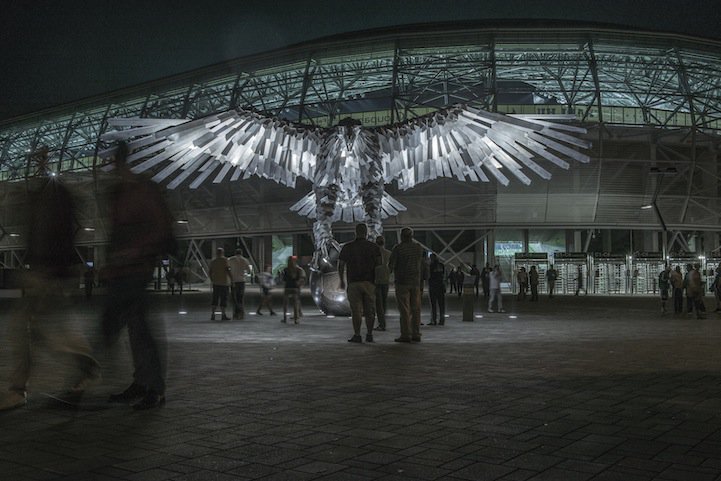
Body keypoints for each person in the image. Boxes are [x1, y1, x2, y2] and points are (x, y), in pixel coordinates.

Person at [1, 162, 100, 411]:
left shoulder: (53, 199)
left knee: (23, 328)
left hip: (44, 272)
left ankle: (18, 390)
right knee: (36, 329)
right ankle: (82, 362)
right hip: (44, 272)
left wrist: (49, 267)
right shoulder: (49, 198)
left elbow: (56, 234)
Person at [103, 141, 175, 410]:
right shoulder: (118, 192)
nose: (110, 168)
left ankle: (154, 388)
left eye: (112, 162)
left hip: (138, 269)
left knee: (141, 330)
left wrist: (135, 252)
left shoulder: (142, 190)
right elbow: (115, 233)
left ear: (122, 161)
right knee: (134, 328)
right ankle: (142, 382)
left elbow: (160, 228)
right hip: (122, 271)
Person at [338, 224, 382, 343]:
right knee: (370, 311)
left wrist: (341, 280)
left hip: (353, 283)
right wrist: (378, 281)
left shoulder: (348, 247)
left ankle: (357, 335)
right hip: (369, 282)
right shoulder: (374, 247)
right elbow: (379, 265)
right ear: (366, 232)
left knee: (356, 311)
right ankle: (369, 334)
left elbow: (341, 265)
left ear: (356, 232)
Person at [389, 227, 425, 342]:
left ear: (402, 236)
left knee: (405, 309)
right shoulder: (418, 248)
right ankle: (416, 333)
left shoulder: (398, 248)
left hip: (402, 281)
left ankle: (406, 334)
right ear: (412, 236)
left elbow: (391, 265)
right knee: (416, 308)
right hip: (416, 281)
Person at [208, 247, 232, 321]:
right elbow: (228, 270)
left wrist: (212, 279)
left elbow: (210, 272)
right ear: (222, 252)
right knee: (223, 299)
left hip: (216, 283)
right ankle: (223, 315)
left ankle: (213, 314)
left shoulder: (213, 261)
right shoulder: (225, 260)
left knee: (215, 299)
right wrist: (232, 279)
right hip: (224, 283)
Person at [374, 235, 391, 331]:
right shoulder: (389, 253)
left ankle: (381, 323)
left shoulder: (373, 254)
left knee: (378, 304)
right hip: (386, 280)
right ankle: (382, 322)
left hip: (376, 281)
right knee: (384, 303)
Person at [282, 256, 306, 324]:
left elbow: (283, 279)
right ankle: (296, 319)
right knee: (295, 303)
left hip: (288, 287)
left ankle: (285, 318)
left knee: (285, 303)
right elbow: (302, 278)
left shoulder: (286, 269)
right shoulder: (298, 269)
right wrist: (299, 284)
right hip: (295, 287)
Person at [228, 248, 251, 320]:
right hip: (241, 281)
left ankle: (235, 313)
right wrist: (244, 274)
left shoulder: (230, 259)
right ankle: (241, 313)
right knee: (240, 298)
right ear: (241, 253)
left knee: (234, 298)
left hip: (233, 281)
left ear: (235, 253)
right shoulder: (245, 260)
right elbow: (249, 271)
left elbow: (227, 268)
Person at [427, 253, 446, 325]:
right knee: (441, 304)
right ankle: (442, 320)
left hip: (433, 287)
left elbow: (428, 276)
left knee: (433, 304)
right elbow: (443, 276)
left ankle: (434, 320)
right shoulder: (441, 265)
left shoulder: (431, 266)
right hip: (441, 286)